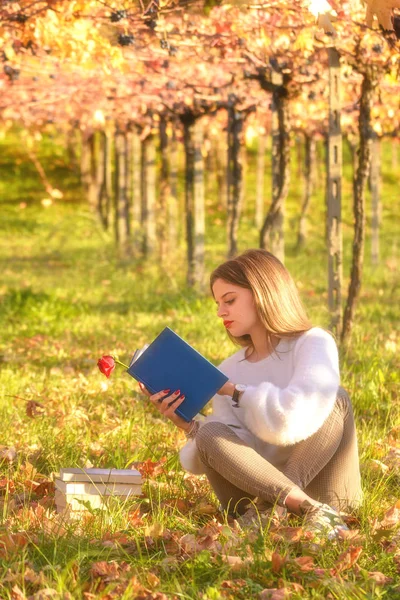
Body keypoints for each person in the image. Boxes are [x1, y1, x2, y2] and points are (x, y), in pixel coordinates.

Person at [138, 249, 362, 537]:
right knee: (210, 431)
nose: (220, 312)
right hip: (254, 499)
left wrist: (235, 391)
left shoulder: (314, 342)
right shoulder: (230, 368)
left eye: (229, 300)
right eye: (218, 303)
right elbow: (236, 446)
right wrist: (189, 426)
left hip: (326, 490)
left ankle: (290, 508)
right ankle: (293, 506)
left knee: (336, 399)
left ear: (262, 293)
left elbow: (292, 421)